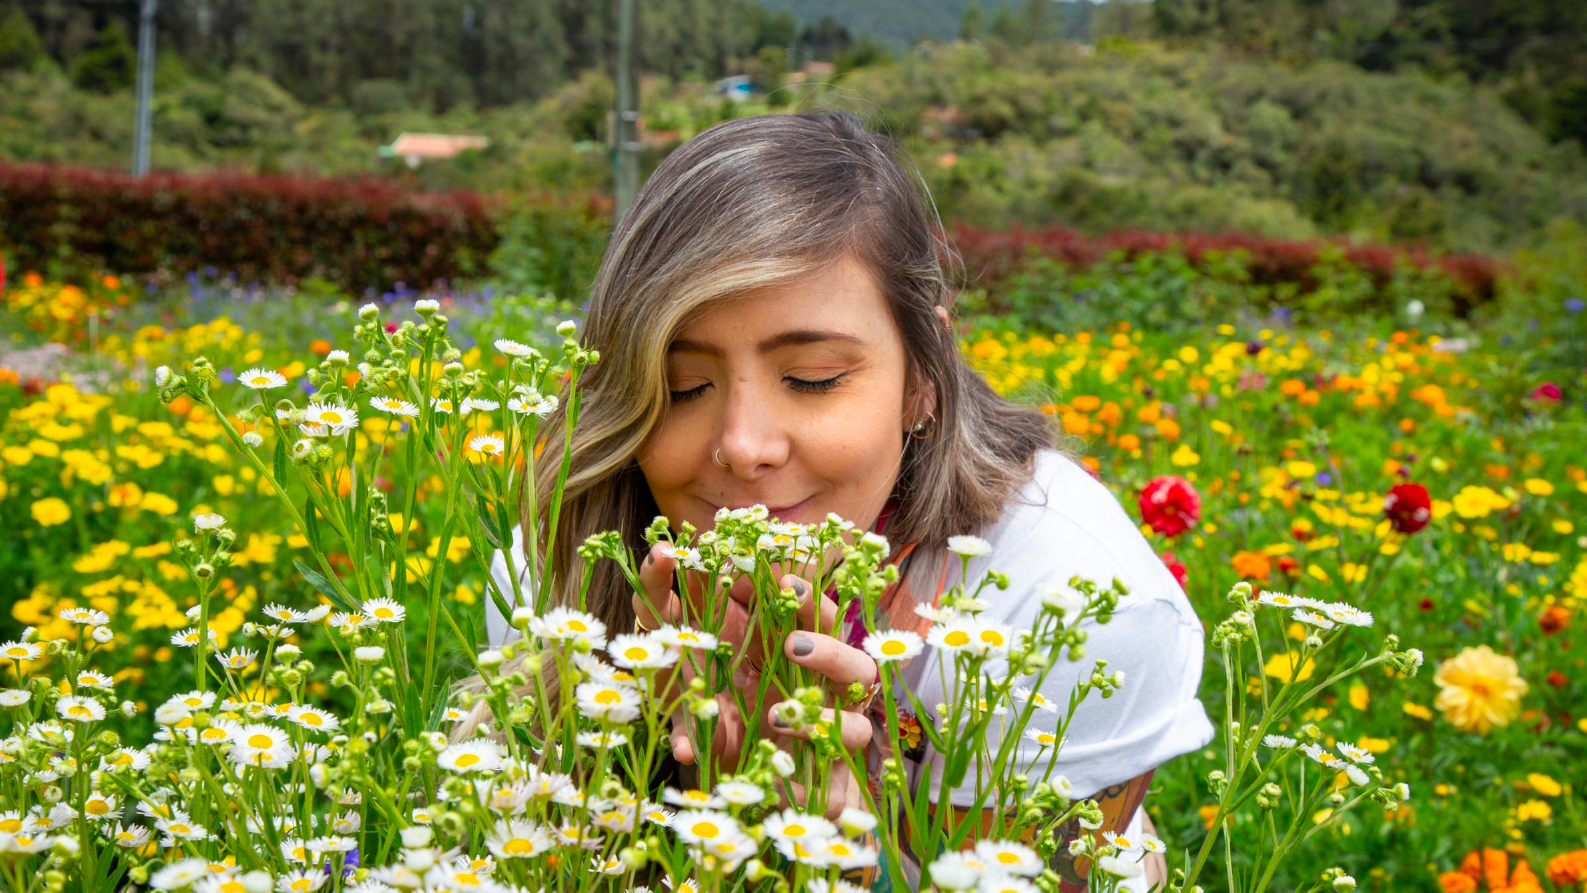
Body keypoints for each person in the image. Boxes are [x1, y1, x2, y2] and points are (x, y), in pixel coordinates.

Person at [470, 109, 1213, 891]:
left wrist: (842, 857)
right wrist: (684, 774)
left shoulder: (1069, 604)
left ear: (921, 376)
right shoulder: (559, 573)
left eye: (812, 378)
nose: (743, 445)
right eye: (680, 385)